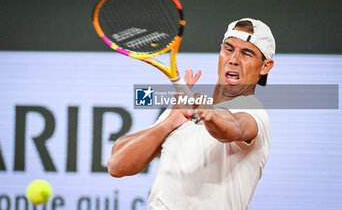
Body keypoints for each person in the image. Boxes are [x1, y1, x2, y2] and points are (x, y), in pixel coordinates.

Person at [107, 18, 275, 210]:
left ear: (265, 66)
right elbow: (117, 165)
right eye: (229, 49)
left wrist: (209, 115)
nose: (234, 59)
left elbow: (234, 128)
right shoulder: (183, 110)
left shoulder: (253, 112)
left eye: (247, 54)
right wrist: (169, 122)